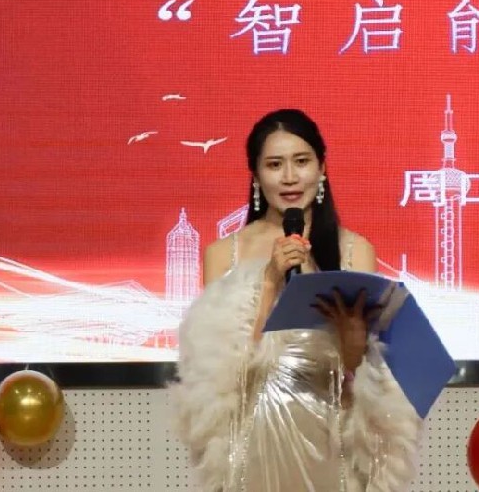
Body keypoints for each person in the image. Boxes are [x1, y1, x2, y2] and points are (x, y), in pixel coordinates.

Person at [170, 109, 422, 492]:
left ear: (321, 168)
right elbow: (219, 373)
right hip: (253, 439)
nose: (289, 177)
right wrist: (270, 280)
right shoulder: (224, 254)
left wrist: (354, 341)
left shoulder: (353, 250)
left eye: (301, 162)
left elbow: (367, 376)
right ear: (256, 176)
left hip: (332, 438)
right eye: (275, 165)